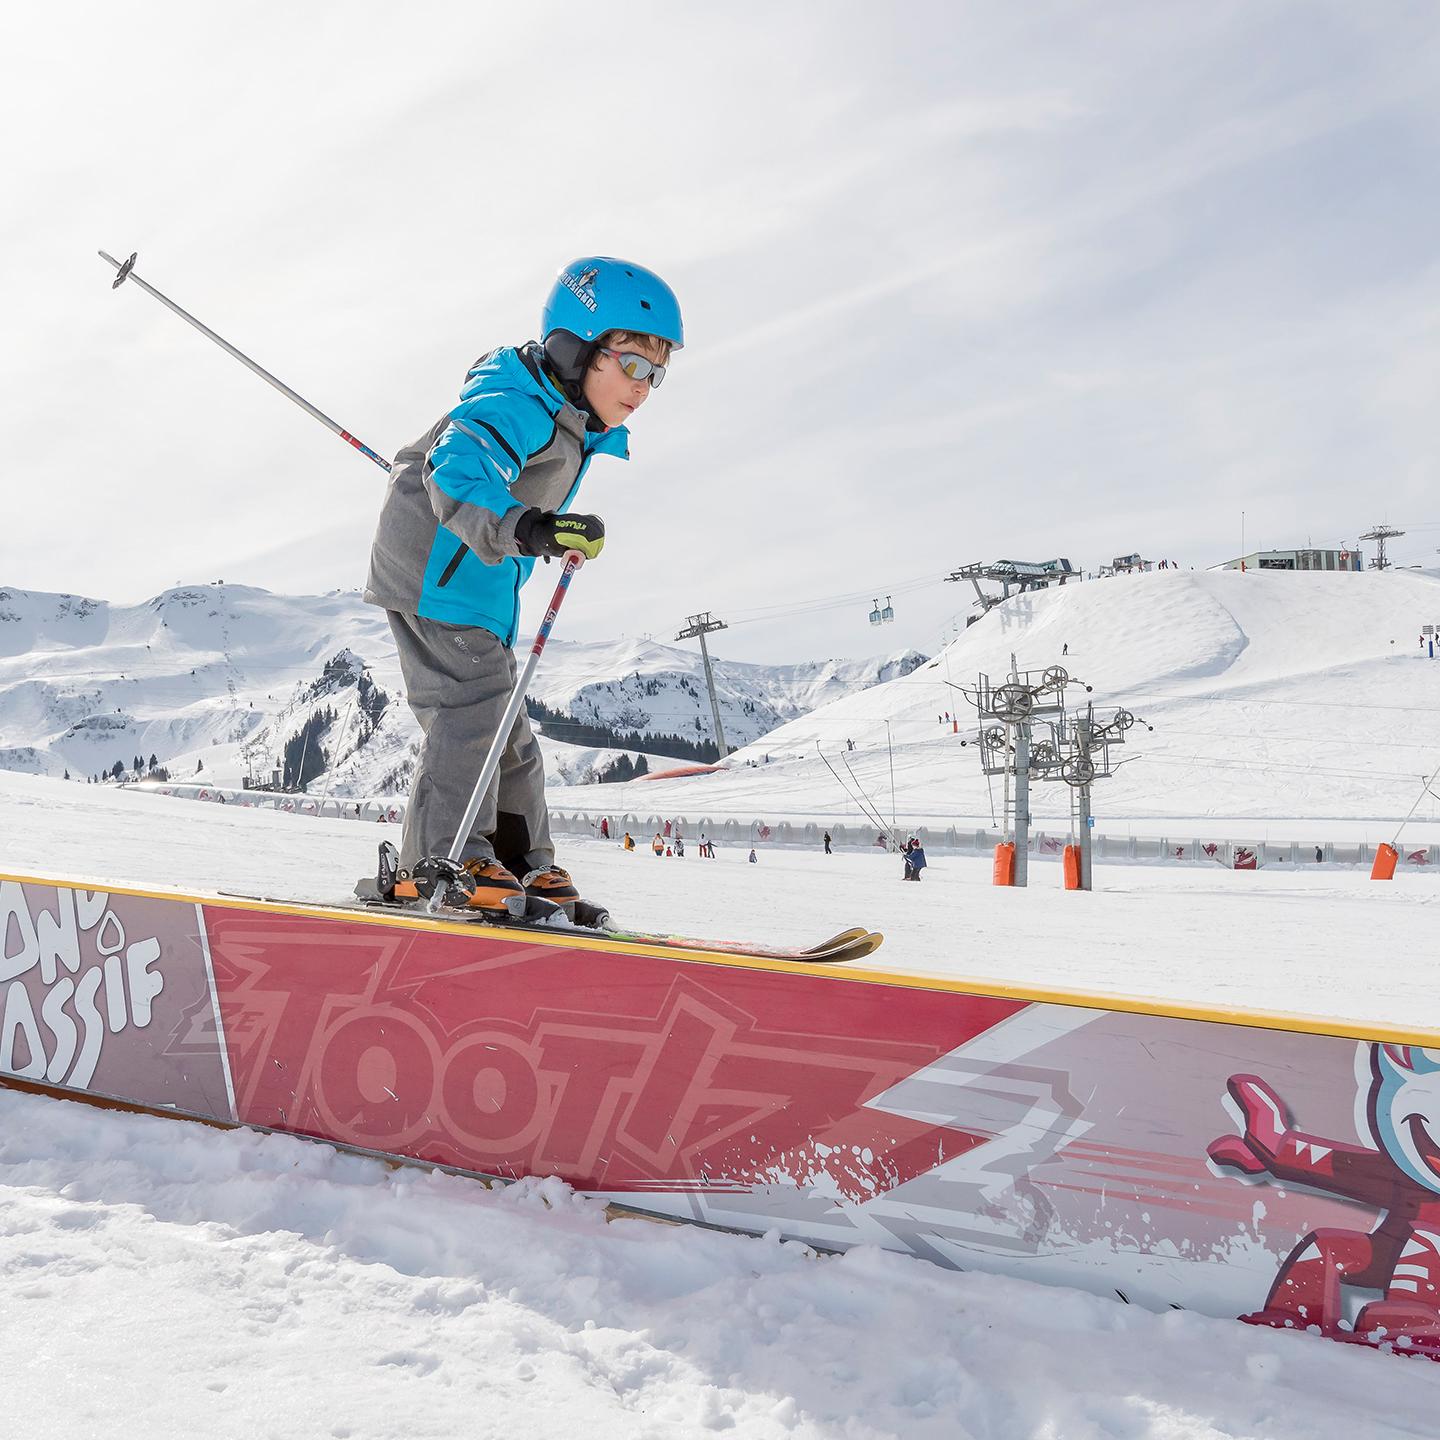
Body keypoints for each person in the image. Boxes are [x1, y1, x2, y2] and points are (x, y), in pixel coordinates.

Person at [364, 258, 683, 910]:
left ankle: (520, 866)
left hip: (476, 586)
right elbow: (456, 467)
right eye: (632, 364)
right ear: (577, 348)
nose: (644, 386)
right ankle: (442, 865)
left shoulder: (566, 424)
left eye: (658, 373)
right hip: (436, 571)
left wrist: (538, 530)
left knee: (510, 733)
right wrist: (530, 527)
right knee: (473, 711)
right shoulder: (518, 405)